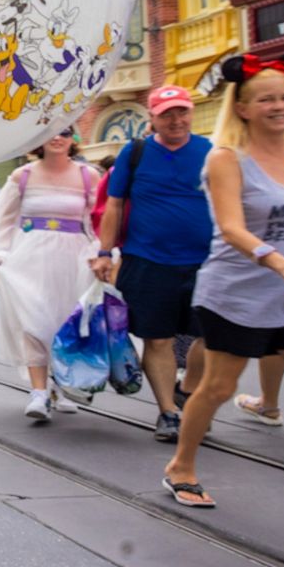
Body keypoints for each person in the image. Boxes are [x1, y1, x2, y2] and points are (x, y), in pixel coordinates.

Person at [164, 57, 284, 508]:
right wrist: (281, 264)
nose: (280, 106)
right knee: (219, 388)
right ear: (242, 107)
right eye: (268, 100)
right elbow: (232, 228)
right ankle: (181, 466)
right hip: (236, 294)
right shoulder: (226, 158)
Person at [91, 85, 214, 442]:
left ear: (191, 113)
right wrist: (104, 251)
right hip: (148, 261)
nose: (176, 120)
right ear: (153, 119)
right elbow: (114, 205)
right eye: (167, 114)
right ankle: (169, 413)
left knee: (211, 337)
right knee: (157, 340)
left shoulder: (210, 151)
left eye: (182, 112)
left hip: (205, 262)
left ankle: (188, 391)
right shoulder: (135, 153)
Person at [0, 128, 101, 421]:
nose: (57, 138)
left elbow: (99, 219)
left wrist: (104, 252)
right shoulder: (21, 176)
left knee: (63, 321)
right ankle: (38, 392)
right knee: (34, 320)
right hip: (30, 256)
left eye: (64, 132)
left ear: (73, 138)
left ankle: (59, 385)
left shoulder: (89, 176)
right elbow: (3, 219)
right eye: (50, 132)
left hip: (74, 258)